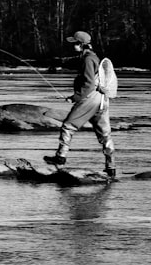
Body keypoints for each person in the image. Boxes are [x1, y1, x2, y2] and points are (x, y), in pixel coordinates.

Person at [44, 31, 115, 177]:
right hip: (102, 100)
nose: (73, 46)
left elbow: (88, 83)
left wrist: (75, 97)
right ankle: (111, 167)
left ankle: (60, 158)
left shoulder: (88, 60)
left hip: (90, 99)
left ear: (82, 45)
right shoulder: (93, 57)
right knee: (105, 135)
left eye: (75, 44)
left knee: (67, 126)